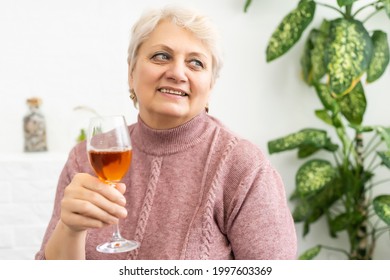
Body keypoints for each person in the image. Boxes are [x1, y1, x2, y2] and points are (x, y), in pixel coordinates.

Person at [35, 5, 297, 260]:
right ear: (131, 72)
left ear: (211, 86)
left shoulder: (243, 167)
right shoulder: (85, 158)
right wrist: (70, 228)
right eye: (161, 56)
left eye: (196, 63)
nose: (177, 73)